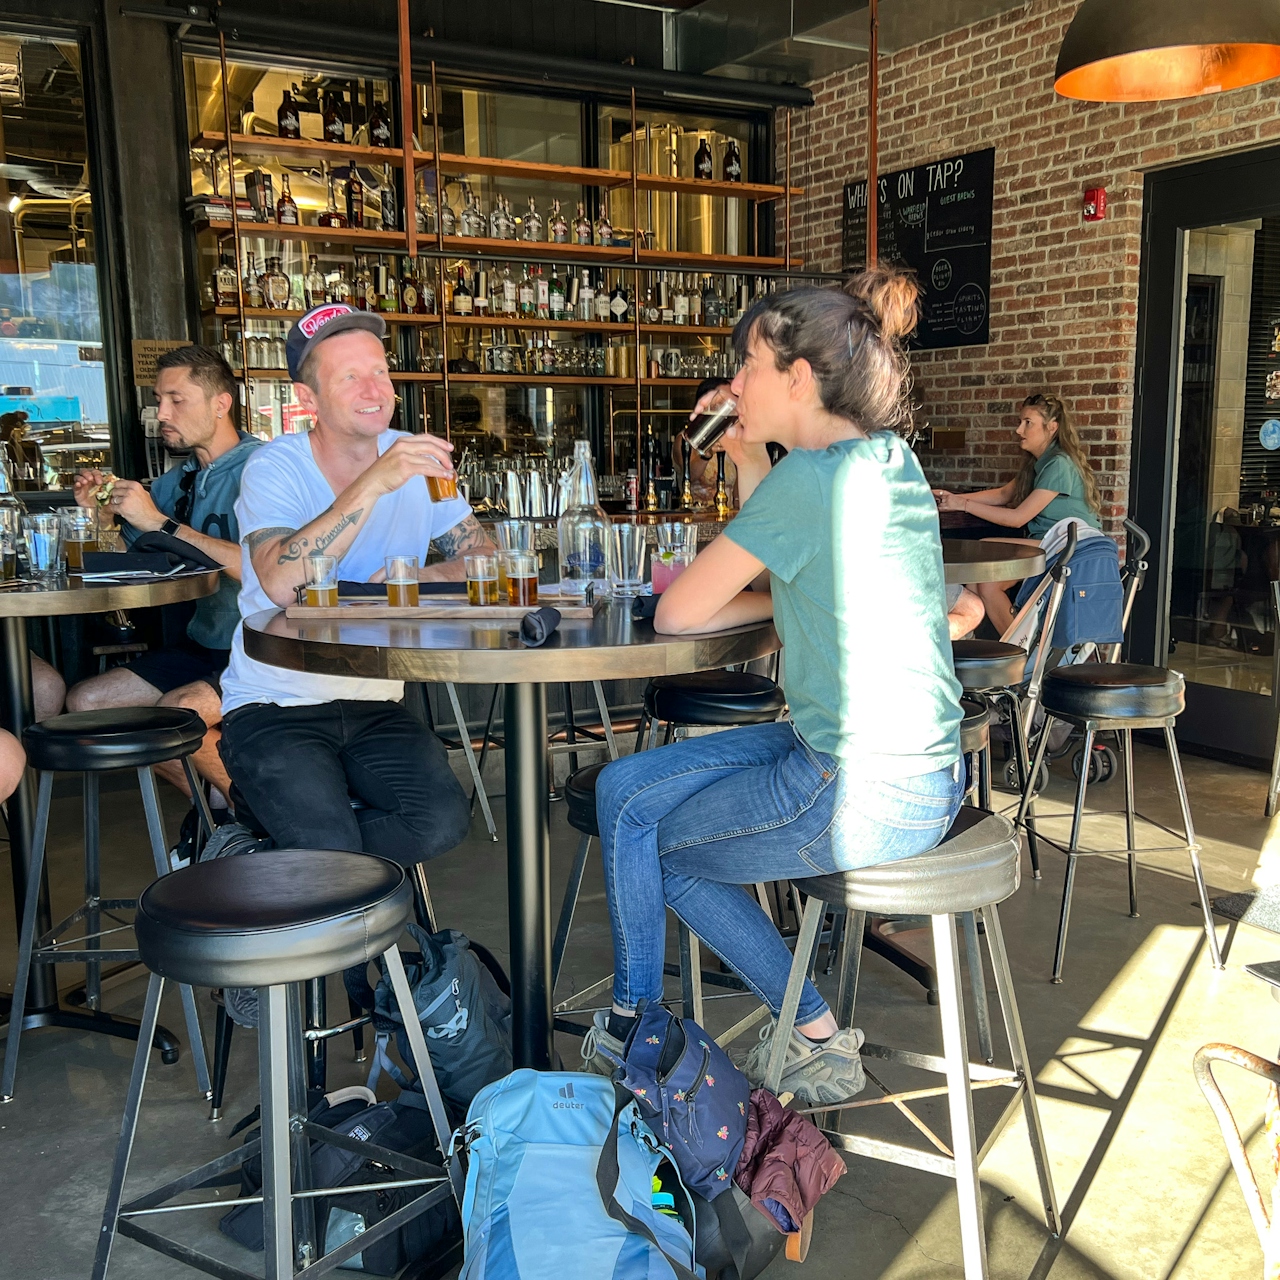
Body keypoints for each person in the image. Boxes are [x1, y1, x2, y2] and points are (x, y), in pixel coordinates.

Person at [586, 269, 965, 1107]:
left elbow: (682, 612)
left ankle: (668, 1033)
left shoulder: (811, 480)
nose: (733, 382)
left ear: (798, 378)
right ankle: (648, 1020)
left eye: (747, 364)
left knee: (656, 848)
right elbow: (790, 578)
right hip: (917, 771)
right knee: (623, 789)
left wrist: (754, 475)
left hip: (857, 785)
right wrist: (751, 453)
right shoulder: (883, 461)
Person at [216, 303, 484, 864]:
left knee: (440, 823)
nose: (375, 387)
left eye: (381, 370)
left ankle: (268, 855)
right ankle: (314, 872)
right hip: (275, 702)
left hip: (375, 700)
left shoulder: (419, 459)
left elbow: (483, 553)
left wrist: (424, 575)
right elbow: (282, 584)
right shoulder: (275, 467)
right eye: (350, 376)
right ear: (308, 400)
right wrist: (374, 482)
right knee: (325, 844)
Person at [66, 346, 259, 814]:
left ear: (220, 403)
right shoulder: (175, 483)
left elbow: (272, 570)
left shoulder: (266, 469)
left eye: (177, 399)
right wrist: (98, 517)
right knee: (88, 703)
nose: (162, 414)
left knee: (176, 713)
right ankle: (231, 811)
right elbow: (120, 572)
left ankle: (256, 814)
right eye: (158, 400)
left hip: (260, 645)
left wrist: (159, 522)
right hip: (201, 644)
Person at [932, 393, 1102, 636]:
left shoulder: (1059, 464)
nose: (1018, 429)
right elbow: (1003, 495)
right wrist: (950, 499)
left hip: (1072, 548)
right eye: (1020, 422)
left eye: (1027, 423)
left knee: (988, 575)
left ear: (1051, 427)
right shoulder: (1039, 462)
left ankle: (1020, 654)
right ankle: (973, 648)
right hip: (1050, 543)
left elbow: (1017, 518)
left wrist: (963, 504)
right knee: (981, 575)